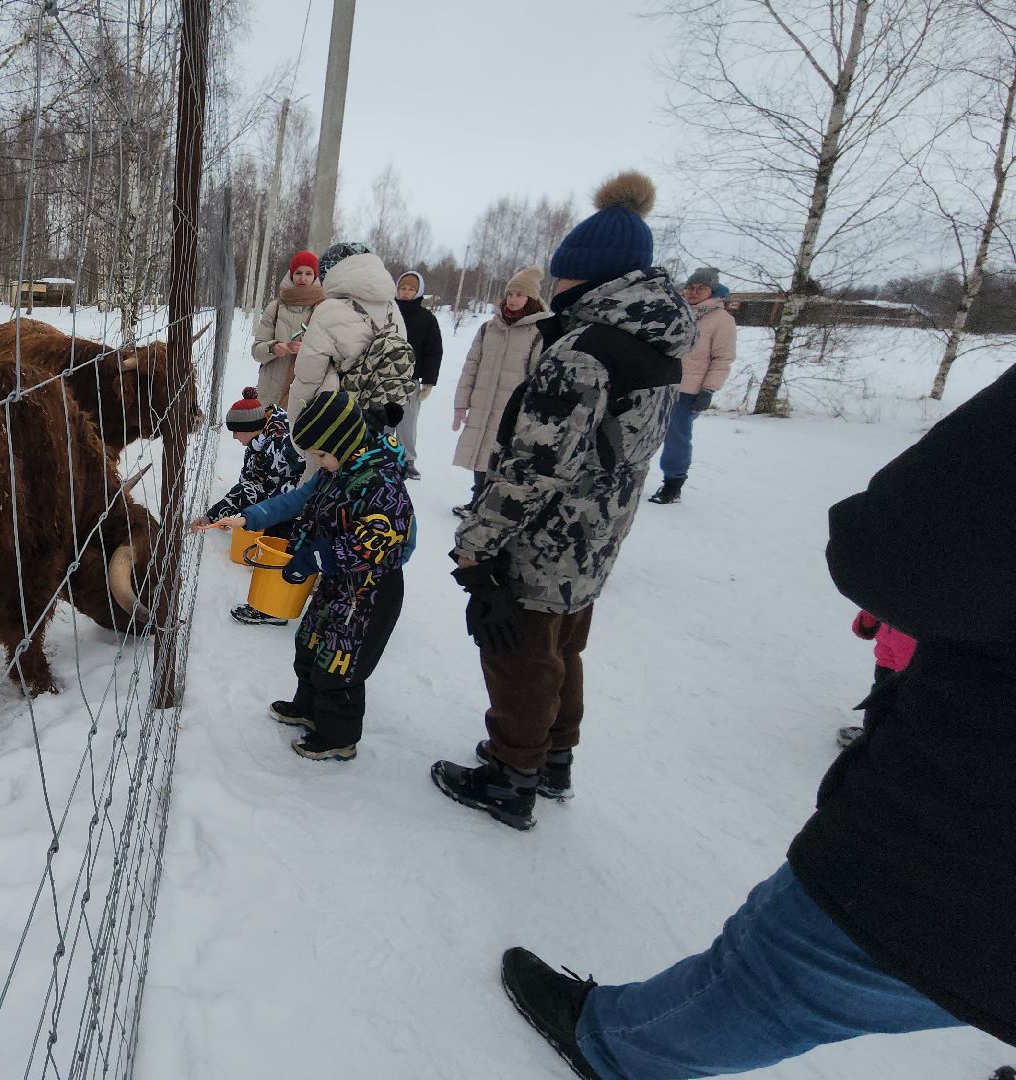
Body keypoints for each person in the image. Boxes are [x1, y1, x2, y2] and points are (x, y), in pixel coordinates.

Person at [499, 363, 1016, 1080]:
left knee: (790, 971)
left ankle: (614, 1041)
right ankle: (543, 760)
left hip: (969, 838)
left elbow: (892, 544)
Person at [431, 171, 695, 829]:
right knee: (563, 644)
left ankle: (510, 774)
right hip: (598, 533)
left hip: (547, 534)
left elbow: (532, 466)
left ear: (586, 275)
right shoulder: (655, 344)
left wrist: (476, 544)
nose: (555, 288)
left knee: (520, 650)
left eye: (562, 277)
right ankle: (552, 760)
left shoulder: (583, 352)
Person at [206, 391, 415, 761]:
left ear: (343, 443)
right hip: (338, 581)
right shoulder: (338, 469)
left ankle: (338, 736)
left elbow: (375, 544)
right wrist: (247, 517)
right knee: (311, 643)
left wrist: (317, 556)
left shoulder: (381, 485)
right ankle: (308, 708)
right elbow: (295, 501)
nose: (316, 462)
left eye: (320, 454)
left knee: (341, 663)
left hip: (370, 591)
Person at [191, 387, 307, 626]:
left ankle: (273, 607)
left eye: (236, 433)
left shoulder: (280, 445)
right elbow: (250, 483)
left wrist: (250, 516)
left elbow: (278, 494)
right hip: (284, 502)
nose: (235, 439)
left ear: (248, 429)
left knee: (281, 542)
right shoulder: (261, 439)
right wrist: (217, 513)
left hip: (297, 507)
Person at [287, 241, 415, 436]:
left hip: (337, 419)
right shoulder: (392, 308)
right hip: (379, 417)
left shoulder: (328, 311)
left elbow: (308, 380)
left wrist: (299, 431)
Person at [450, 265, 548, 517]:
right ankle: (477, 499)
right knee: (482, 451)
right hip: (484, 403)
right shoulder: (488, 329)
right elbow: (471, 366)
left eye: (520, 294)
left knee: (503, 458)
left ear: (531, 299)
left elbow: (539, 377)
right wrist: (461, 404)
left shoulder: (538, 333)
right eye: (511, 294)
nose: (514, 300)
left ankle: (492, 506)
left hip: (512, 409)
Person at [649, 267, 737, 504]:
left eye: (701, 288)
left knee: (676, 439)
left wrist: (708, 390)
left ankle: (672, 484)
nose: (694, 292)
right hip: (660, 384)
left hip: (687, 391)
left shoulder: (721, 320)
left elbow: (723, 358)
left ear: (713, 290)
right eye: (690, 287)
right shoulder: (676, 311)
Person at [250, 251, 325, 409]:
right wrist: (273, 348)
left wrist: (307, 350)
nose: (303, 278)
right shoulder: (275, 307)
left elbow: (331, 355)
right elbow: (256, 350)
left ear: (315, 276)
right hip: (270, 396)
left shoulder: (323, 309)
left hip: (306, 397)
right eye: (298, 273)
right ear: (291, 275)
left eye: (308, 273)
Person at [393, 269, 444, 480]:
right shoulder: (388, 312)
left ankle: (407, 460)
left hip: (410, 379)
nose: (406, 292)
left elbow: (434, 351)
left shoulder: (427, 318)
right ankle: (381, 454)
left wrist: (429, 382)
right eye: (402, 288)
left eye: (410, 289)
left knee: (407, 421)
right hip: (384, 379)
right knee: (383, 420)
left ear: (418, 291)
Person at [840, 610, 917, 747]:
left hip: (912, 656)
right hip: (887, 652)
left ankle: (900, 746)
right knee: (881, 695)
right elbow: (881, 594)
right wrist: (870, 612)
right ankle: (873, 736)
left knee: (909, 700)